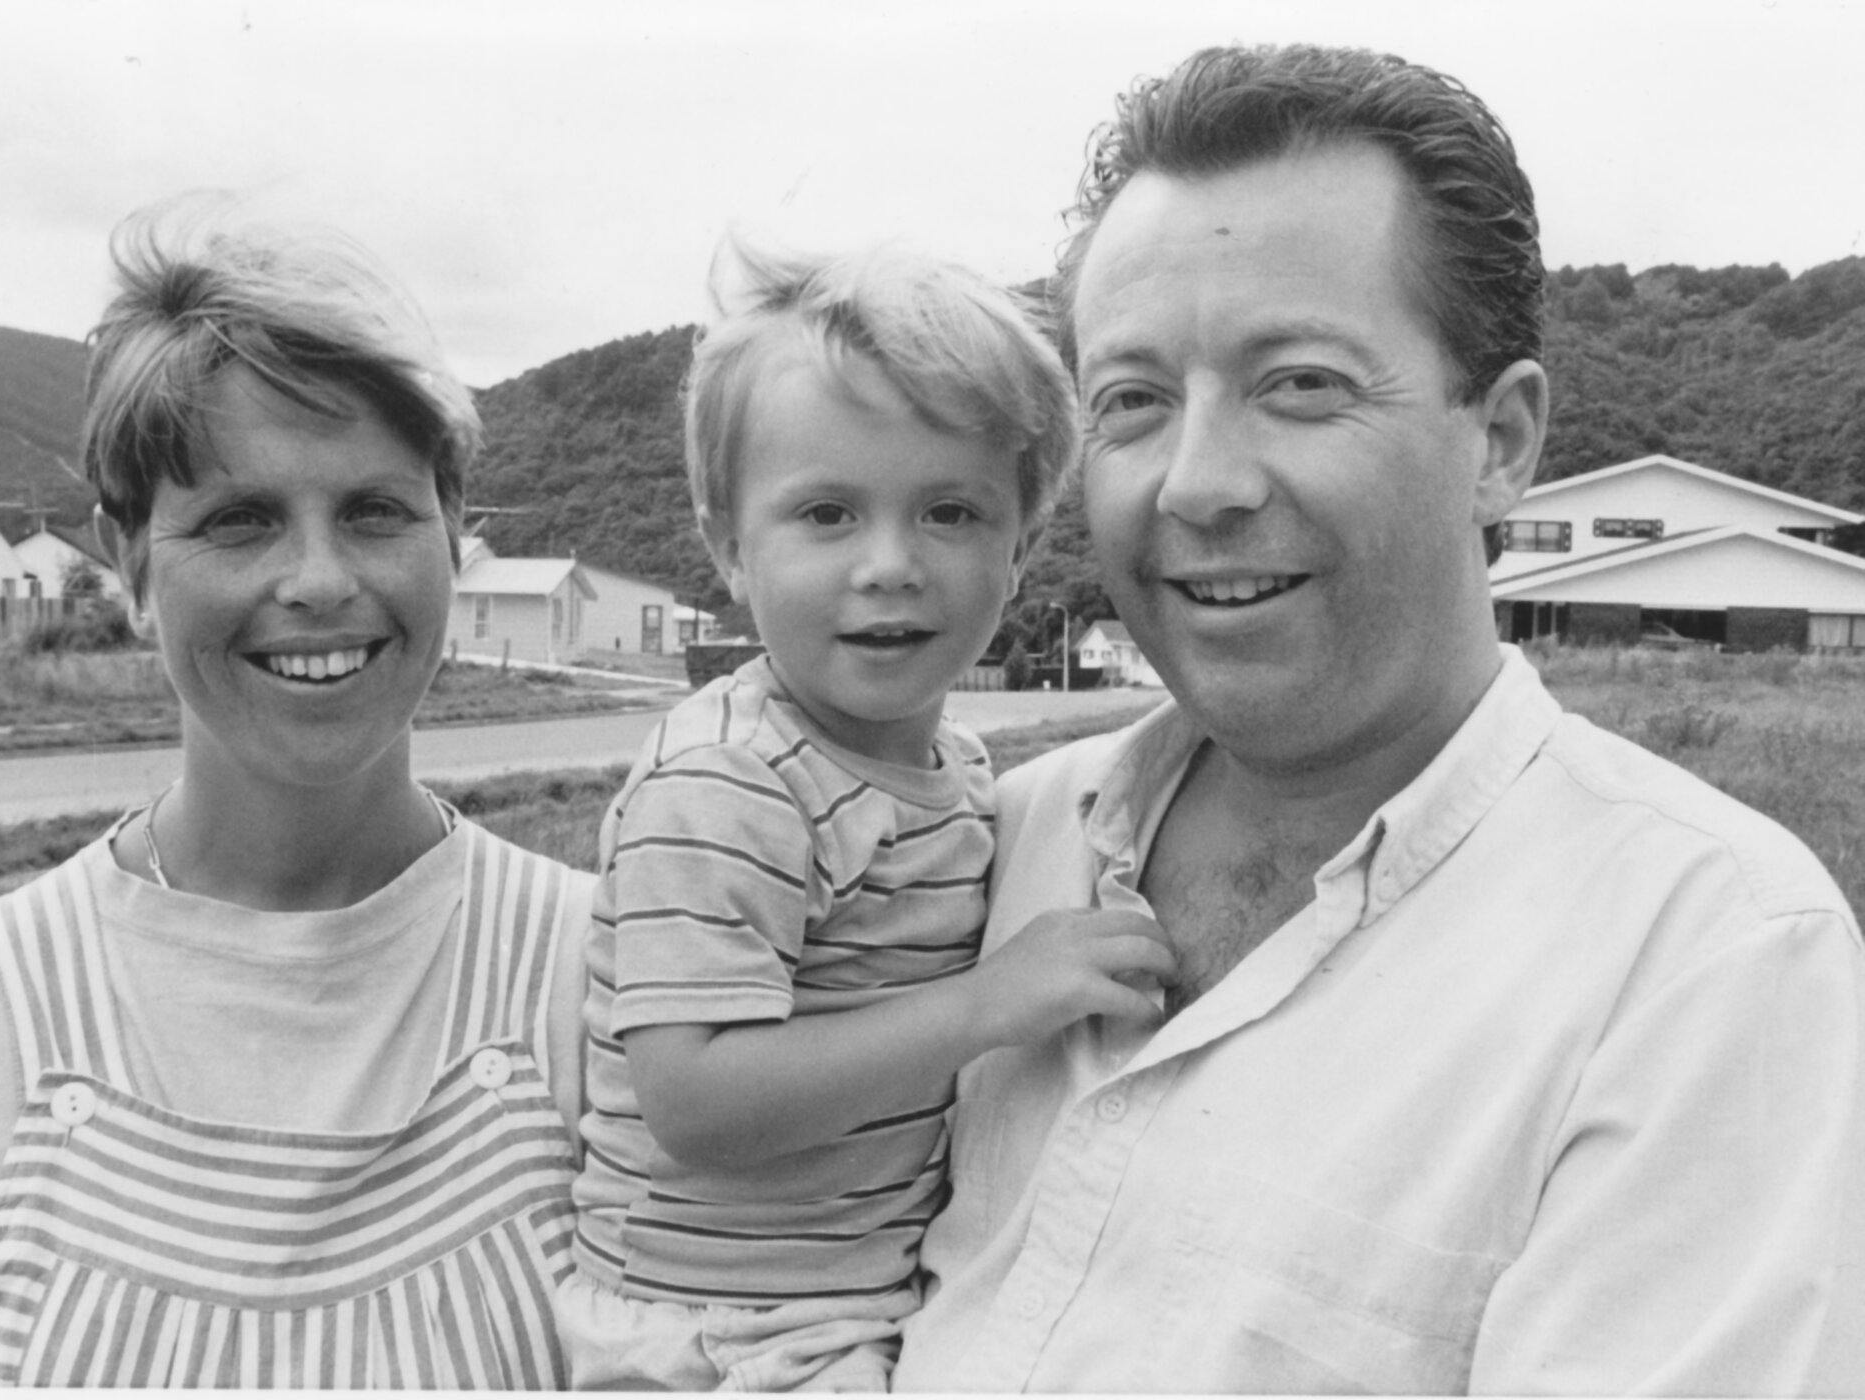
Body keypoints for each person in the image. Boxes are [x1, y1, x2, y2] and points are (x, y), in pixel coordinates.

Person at [895, 43, 1865, 1395]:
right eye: (1132, 401)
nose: (1197, 483)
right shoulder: (990, 846)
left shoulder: (1706, 963)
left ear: (1500, 443)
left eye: (1300, 383)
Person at [0, 202, 594, 1388]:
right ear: (130, 562)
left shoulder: (598, 979)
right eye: (238, 520)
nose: (318, 579)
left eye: (374, 509)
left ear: (454, 532)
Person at [560, 236, 1173, 1391]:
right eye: (827, 513)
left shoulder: (956, 767)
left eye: (947, 511)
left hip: (849, 1303)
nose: (889, 563)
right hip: (716, 1329)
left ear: (1020, 546)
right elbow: (694, 1100)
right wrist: (987, 1003)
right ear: (728, 548)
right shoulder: (732, 779)